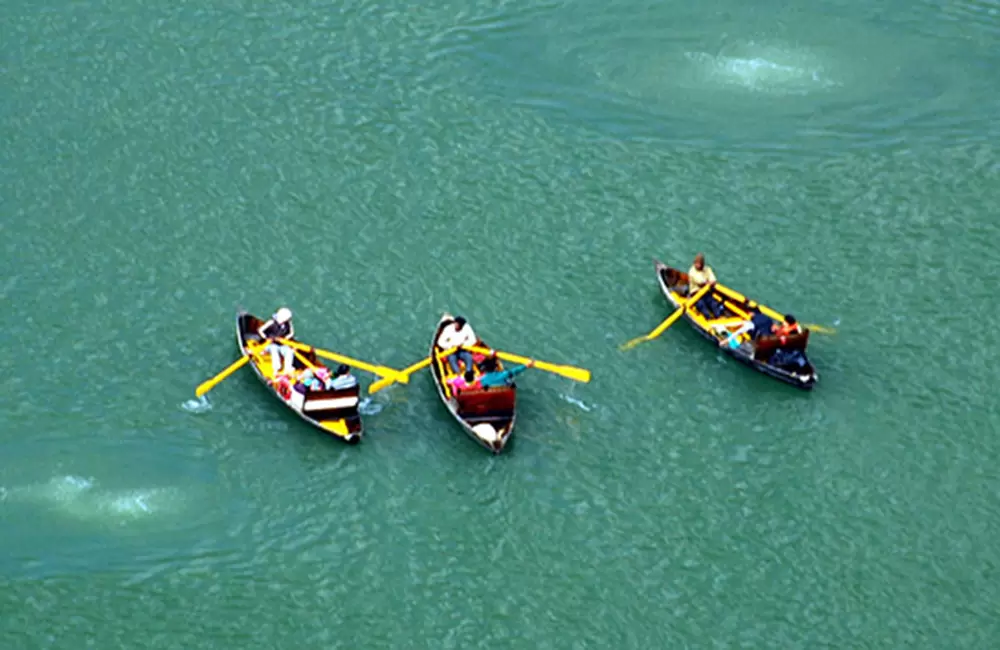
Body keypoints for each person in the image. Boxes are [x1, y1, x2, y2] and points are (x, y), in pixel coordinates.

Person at [257, 307, 296, 375]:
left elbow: (291, 333)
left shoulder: (288, 324)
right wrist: (266, 337)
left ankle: (288, 368)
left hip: (281, 344)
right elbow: (260, 330)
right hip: (269, 344)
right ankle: (276, 368)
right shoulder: (271, 322)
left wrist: (286, 338)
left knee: (289, 351)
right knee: (274, 349)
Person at [687, 254, 724, 319]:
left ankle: (719, 317)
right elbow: (700, 282)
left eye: (700, 264)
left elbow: (713, 280)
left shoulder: (707, 269)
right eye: (697, 264)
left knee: (713, 304)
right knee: (701, 305)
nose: (699, 265)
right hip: (696, 294)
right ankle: (708, 319)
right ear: (694, 263)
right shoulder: (692, 271)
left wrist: (710, 282)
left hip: (706, 292)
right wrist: (708, 283)